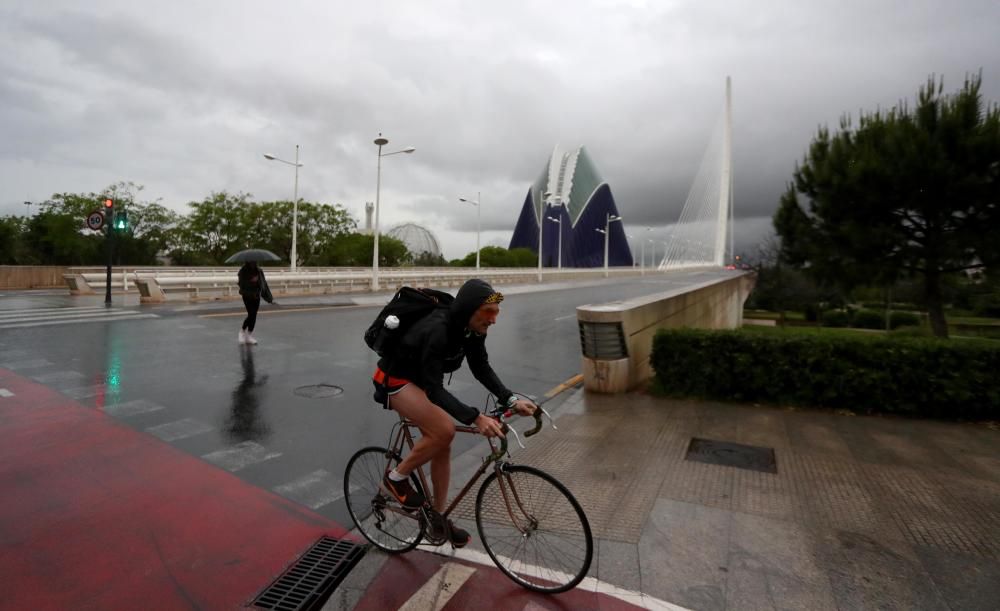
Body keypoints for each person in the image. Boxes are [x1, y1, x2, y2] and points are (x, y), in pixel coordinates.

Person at [372, 278, 537, 547]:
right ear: (470, 310)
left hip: (422, 380)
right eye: (488, 312)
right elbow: (436, 391)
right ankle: (395, 479)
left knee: (442, 444)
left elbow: (480, 367)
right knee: (444, 430)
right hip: (395, 379)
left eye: (496, 313)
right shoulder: (439, 330)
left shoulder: (471, 330)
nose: (493, 320)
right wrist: (475, 417)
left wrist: (510, 399)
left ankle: (437, 517)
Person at [237, 261, 273, 344]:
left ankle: (249, 335)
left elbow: (264, 284)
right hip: (247, 296)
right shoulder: (243, 271)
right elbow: (241, 284)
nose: (253, 263)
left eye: (254, 261)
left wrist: (269, 298)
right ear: (248, 262)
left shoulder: (259, 271)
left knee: (254, 315)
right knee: (251, 314)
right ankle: (242, 332)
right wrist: (251, 281)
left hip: (256, 296)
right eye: (251, 262)